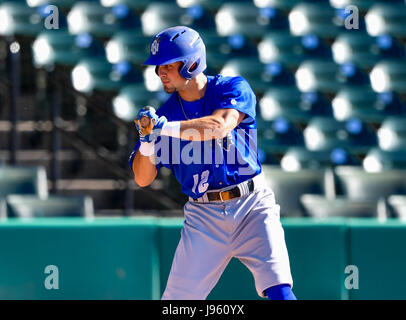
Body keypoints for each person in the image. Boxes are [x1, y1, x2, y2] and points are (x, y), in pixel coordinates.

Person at [128, 26, 296, 300]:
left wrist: (163, 129)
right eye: (158, 67)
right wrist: (148, 140)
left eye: (168, 65)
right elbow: (142, 178)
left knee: (279, 290)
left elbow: (219, 125)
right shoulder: (165, 115)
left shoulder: (231, 88)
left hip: (252, 204)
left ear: (192, 63)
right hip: (203, 215)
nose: (160, 72)